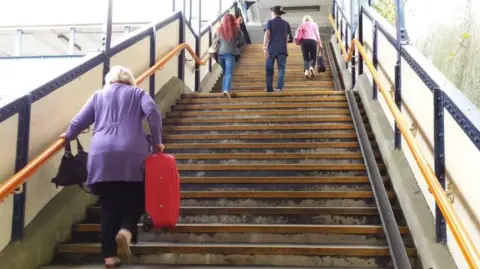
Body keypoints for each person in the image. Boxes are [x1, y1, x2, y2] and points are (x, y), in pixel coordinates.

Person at [62, 65, 164, 268]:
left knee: (109, 205)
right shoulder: (138, 93)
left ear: (109, 81)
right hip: (132, 153)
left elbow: (79, 120)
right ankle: (126, 230)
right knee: (137, 195)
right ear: (130, 80)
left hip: (102, 154)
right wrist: (157, 142)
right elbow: (152, 111)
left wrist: (68, 135)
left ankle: (109, 257)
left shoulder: (98, 96)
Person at [263, 5, 293, 92]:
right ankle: (279, 88)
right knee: (281, 69)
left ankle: (269, 89)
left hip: (271, 50)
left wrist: (264, 47)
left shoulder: (270, 22)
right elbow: (289, 39)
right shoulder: (286, 24)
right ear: (280, 14)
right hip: (282, 50)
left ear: (273, 13)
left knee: (269, 69)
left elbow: (267, 34)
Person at [214, 13, 245, 99]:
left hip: (220, 55)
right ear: (233, 20)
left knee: (225, 73)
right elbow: (242, 42)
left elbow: (215, 41)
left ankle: (223, 91)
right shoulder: (236, 29)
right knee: (229, 73)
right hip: (230, 55)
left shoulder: (219, 29)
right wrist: (236, 46)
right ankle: (226, 90)